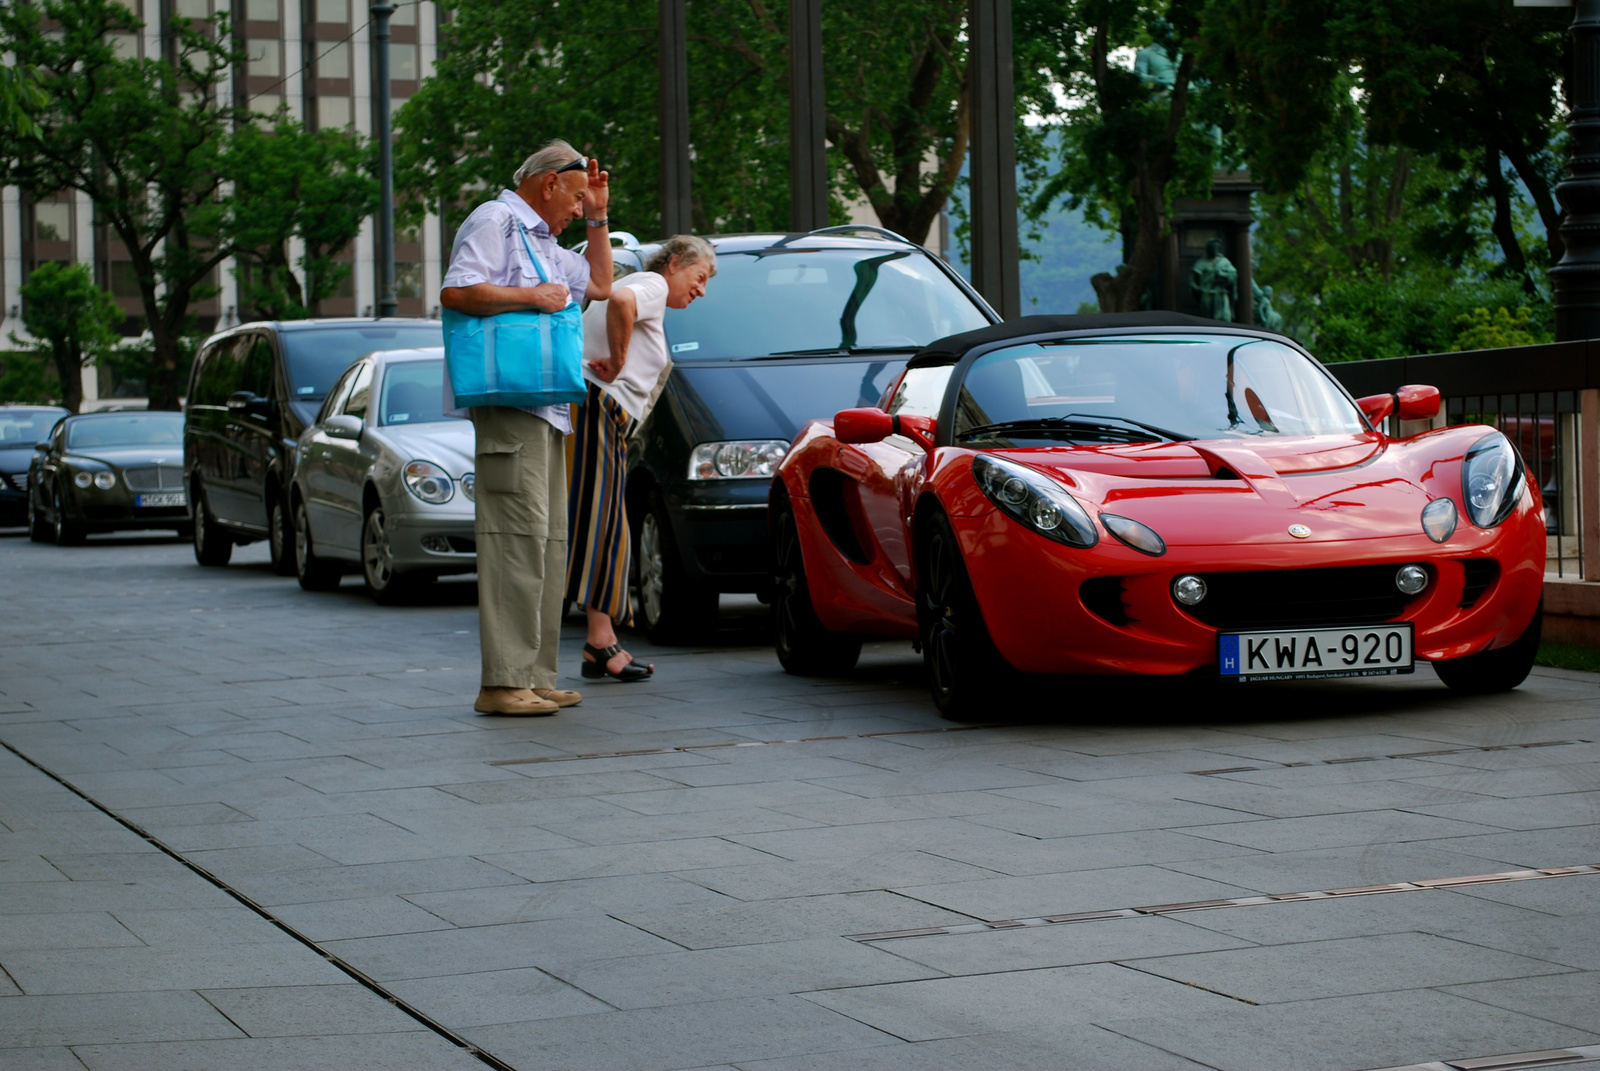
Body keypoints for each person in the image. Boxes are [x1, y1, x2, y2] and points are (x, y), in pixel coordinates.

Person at [438, 140, 613, 717]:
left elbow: (601, 285)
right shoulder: (496, 220)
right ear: (550, 184)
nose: (576, 208)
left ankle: (533, 675)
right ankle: (500, 683)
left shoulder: (544, 242)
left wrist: (598, 220)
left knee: (545, 543)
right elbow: (457, 291)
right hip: (509, 404)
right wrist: (529, 297)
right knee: (514, 542)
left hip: (544, 406)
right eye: (576, 197)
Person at [567, 235, 717, 681]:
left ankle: (601, 639)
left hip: (602, 412)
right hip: (601, 406)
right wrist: (618, 359)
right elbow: (620, 298)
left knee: (607, 524)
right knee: (601, 525)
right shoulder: (649, 284)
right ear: (674, 264)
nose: (702, 290)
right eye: (700, 277)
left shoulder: (648, 287)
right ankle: (599, 642)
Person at [1190, 237, 1238, 322]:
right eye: (1212, 247)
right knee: (1207, 319)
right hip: (1207, 293)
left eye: (1216, 247)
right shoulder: (1202, 262)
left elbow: (1233, 275)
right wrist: (1198, 288)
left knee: (1225, 317)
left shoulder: (1224, 261)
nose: (1214, 249)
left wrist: (1225, 276)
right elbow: (1192, 280)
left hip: (1221, 293)